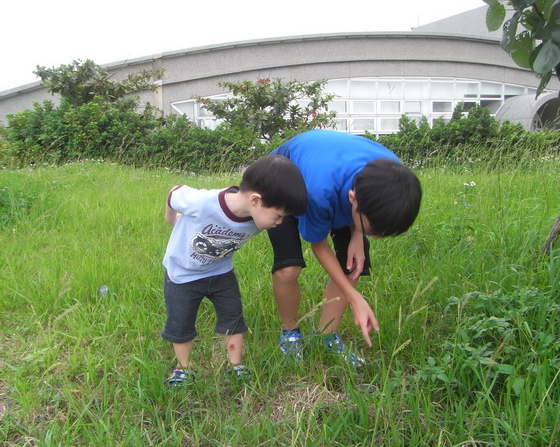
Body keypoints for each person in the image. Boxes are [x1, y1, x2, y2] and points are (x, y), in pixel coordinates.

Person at [267, 129, 422, 367]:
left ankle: (326, 336)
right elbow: (319, 245)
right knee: (289, 269)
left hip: (336, 180)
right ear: (353, 199)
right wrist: (355, 297)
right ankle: (290, 334)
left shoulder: (393, 176)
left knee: (353, 266)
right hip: (284, 178)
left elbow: (366, 208)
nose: (377, 238)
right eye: (372, 231)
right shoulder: (319, 192)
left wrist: (359, 234)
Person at [161, 155, 307, 386]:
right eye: (278, 216)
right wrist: (173, 220)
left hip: (220, 273)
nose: (279, 223)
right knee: (181, 323)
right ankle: (183, 368)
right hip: (182, 275)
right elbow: (174, 193)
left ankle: (235, 364)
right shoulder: (202, 202)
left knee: (233, 318)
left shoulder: (256, 218)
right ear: (256, 200)